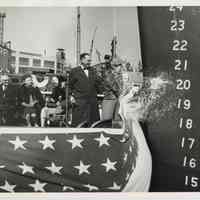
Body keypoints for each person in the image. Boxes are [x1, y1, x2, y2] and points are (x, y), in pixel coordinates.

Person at [69, 53, 102, 127]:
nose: (89, 62)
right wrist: (70, 96)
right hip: (80, 102)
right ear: (82, 60)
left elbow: (98, 85)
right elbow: (68, 86)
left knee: (93, 125)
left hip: (92, 102)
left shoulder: (93, 71)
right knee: (79, 124)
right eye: (88, 60)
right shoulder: (74, 71)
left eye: (90, 60)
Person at [101, 56, 122, 120]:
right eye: (119, 66)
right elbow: (114, 87)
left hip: (117, 99)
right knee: (107, 121)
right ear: (114, 66)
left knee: (117, 121)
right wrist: (123, 94)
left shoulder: (118, 75)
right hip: (109, 99)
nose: (121, 68)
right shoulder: (108, 74)